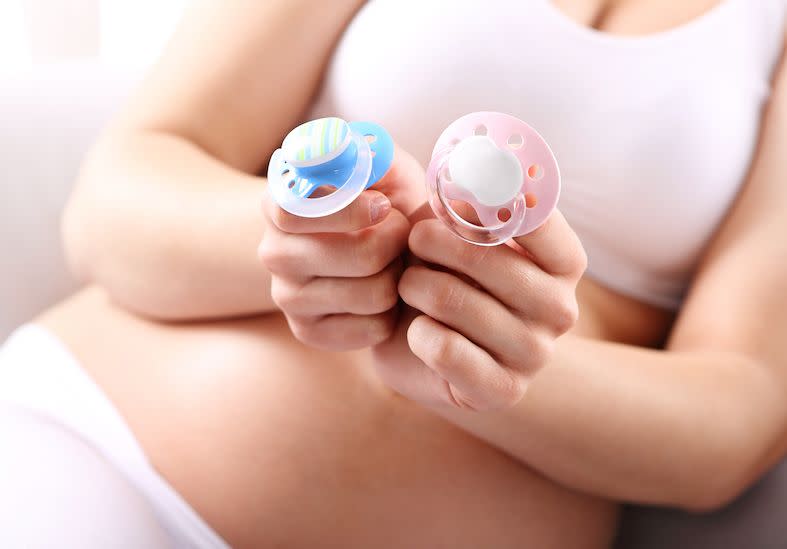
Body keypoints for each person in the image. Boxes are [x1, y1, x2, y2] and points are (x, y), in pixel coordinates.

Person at [2, 1, 787, 547]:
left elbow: (739, 411)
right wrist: (311, 245)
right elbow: (111, 200)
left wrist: (491, 359)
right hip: (97, 452)